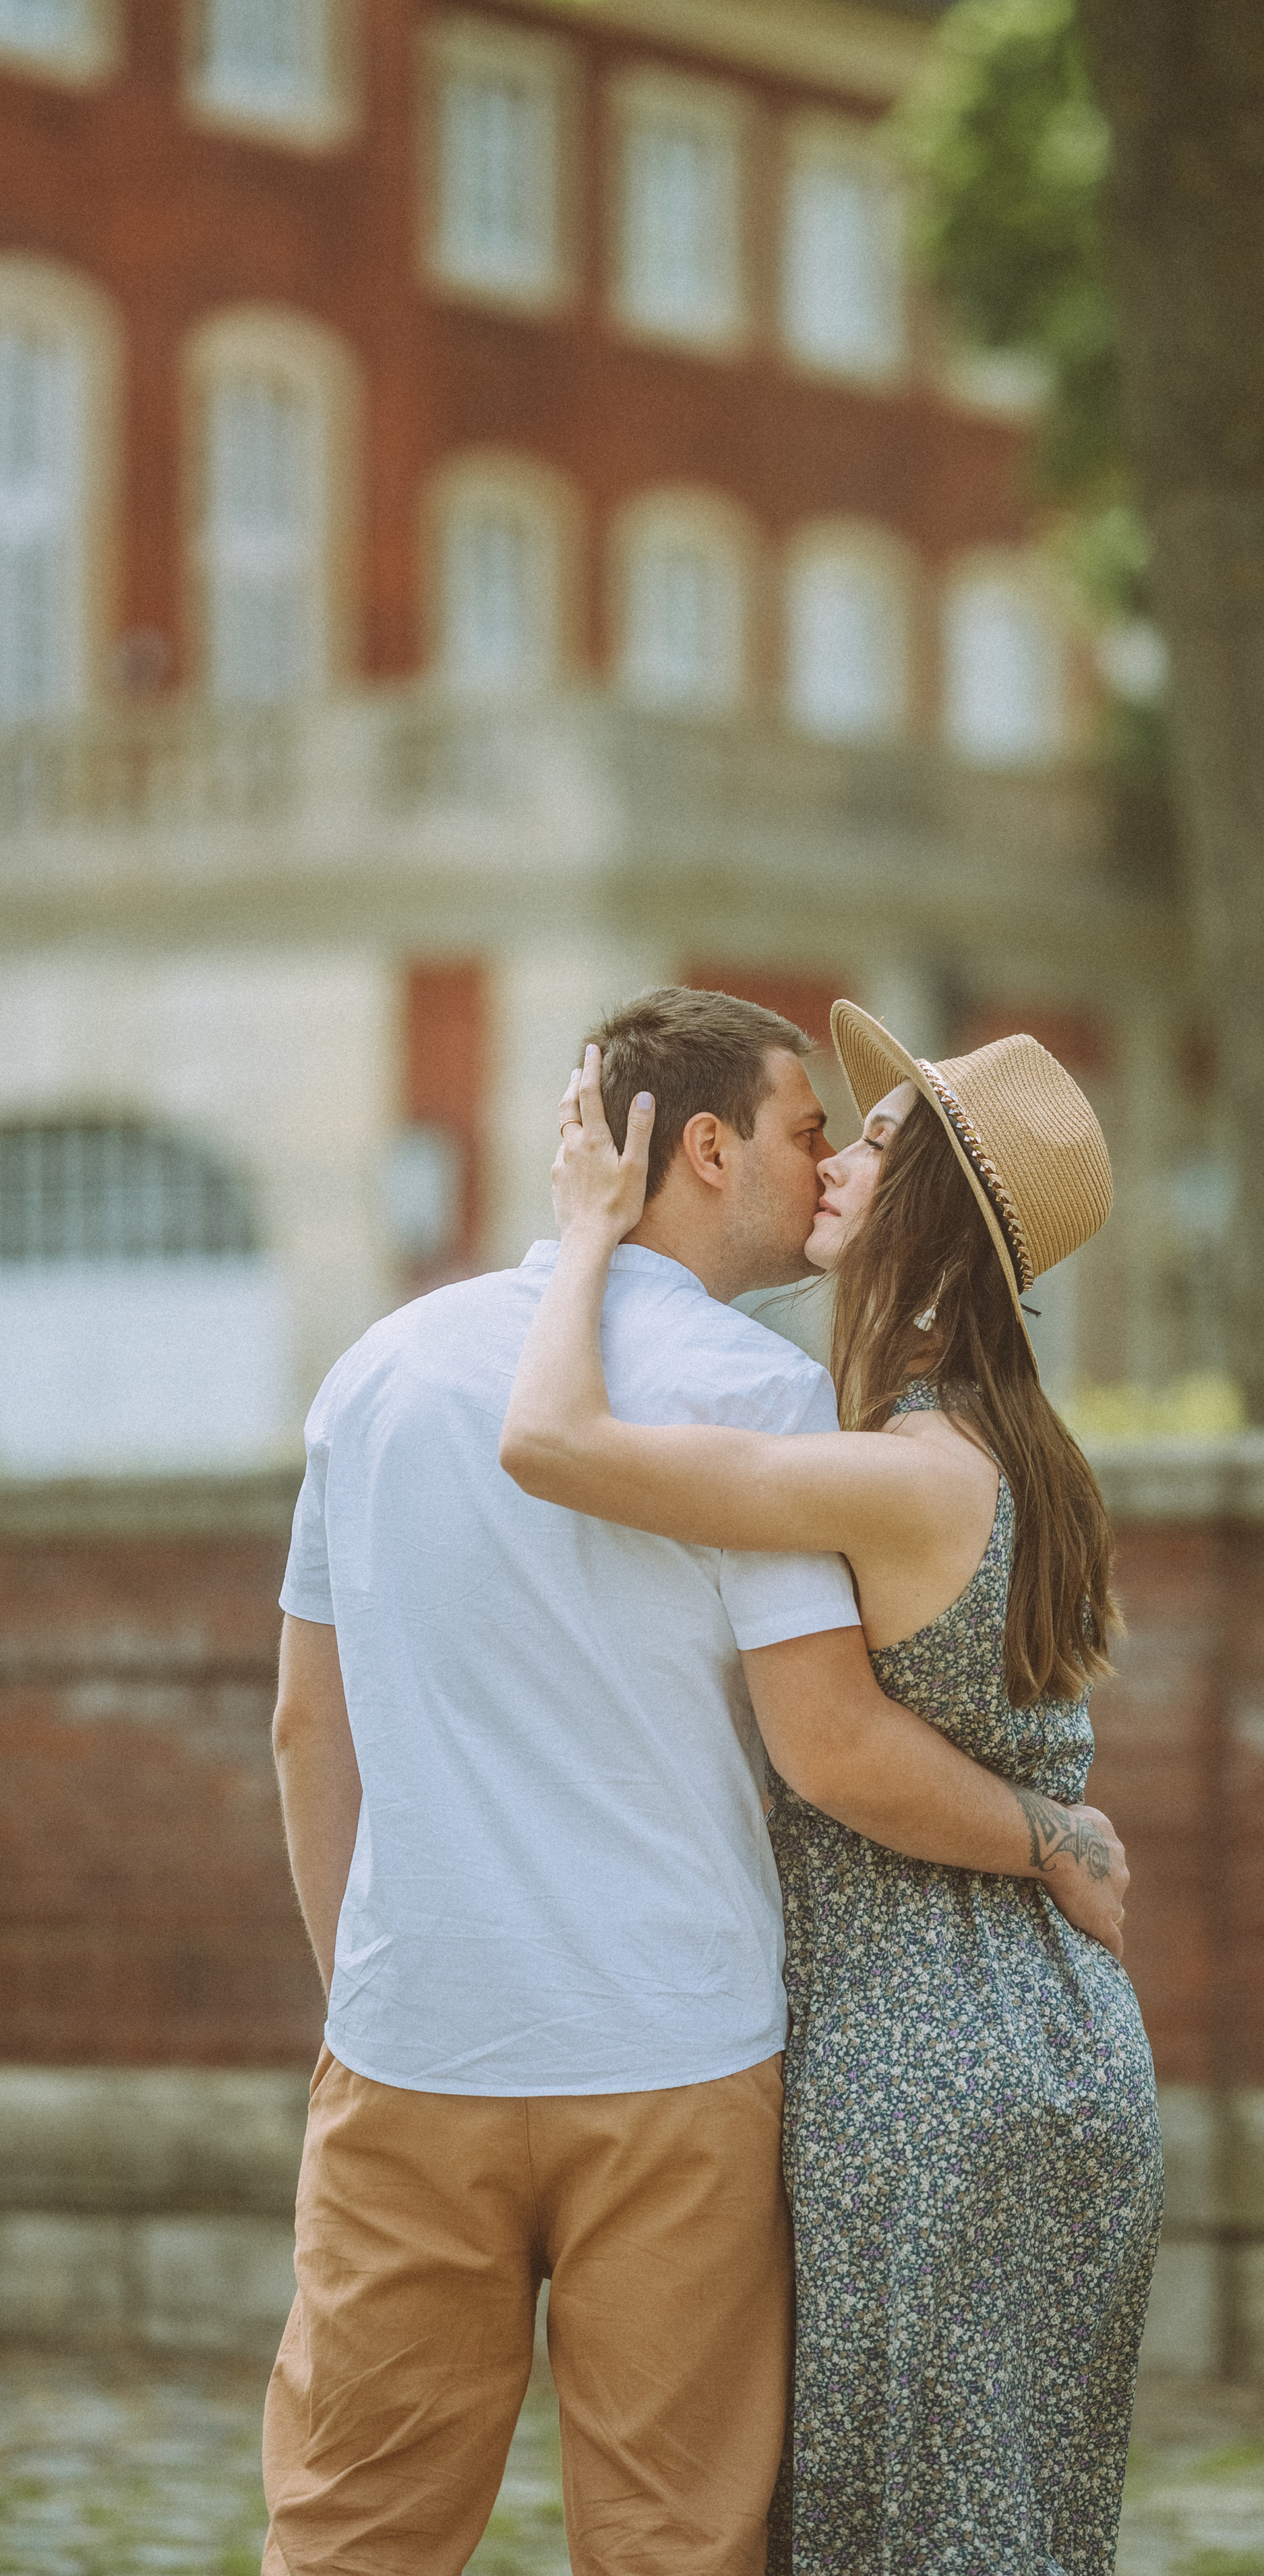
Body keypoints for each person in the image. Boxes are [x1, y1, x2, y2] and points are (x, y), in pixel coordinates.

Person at [263, 984, 1129, 2576]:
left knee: (351, 2530)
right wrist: (1053, 1839)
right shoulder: (763, 1394)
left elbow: (309, 1734)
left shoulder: (374, 1373)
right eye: (813, 1131)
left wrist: (364, 2004)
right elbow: (828, 1741)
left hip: (412, 2043)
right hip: (672, 2054)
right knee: (676, 2538)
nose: (824, 1168)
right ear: (712, 1148)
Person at [501, 1002, 1165, 2576]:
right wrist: (1055, 1836)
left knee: (897, 2532)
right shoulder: (1015, 1453)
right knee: (1005, 2529)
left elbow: (548, 1437)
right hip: (1053, 2045)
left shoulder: (888, 1474)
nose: (840, 1156)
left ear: (933, 1209)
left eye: (878, 1140)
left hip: (919, 2066)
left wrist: (587, 1234)